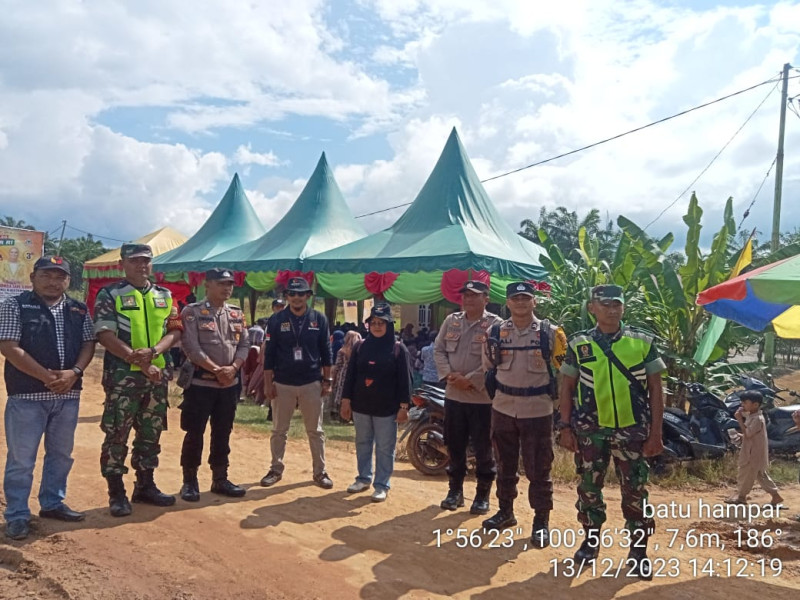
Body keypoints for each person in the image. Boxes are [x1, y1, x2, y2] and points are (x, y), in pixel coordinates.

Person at [558, 284, 664, 580]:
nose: (612, 309)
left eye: (617, 304)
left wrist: (656, 433)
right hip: (591, 431)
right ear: (592, 308)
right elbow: (566, 387)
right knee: (589, 490)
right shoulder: (579, 343)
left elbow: (656, 390)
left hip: (632, 432)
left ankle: (638, 552)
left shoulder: (642, 341)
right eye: (605, 304)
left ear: (623, 307)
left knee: (635, 492)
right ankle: (590, 543)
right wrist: (565, 427)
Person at [0, 257, 95, 540]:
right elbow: (9, 347)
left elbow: (88, 343)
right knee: (21, 460)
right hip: (27, 396)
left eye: (60, 277)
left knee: (61, 455)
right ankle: (17, 514)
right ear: (32, 277)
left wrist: (75, 373)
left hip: (68, 396)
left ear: (68, 281)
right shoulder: (14, 306)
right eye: (46, 275)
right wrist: (47, 377)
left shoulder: (79, 309)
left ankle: (53, 503)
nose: (53, 282)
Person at [94, 243, 183, 517]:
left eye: (146, 261)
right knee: (117, 434)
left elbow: (175, 331)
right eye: (134, 261)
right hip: (123, 378)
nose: (141, 266)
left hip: (157, 378)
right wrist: (139, 361)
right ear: (122, 264)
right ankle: (116, 492)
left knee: (150, 432)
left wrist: (154, 353)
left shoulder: (165, 295)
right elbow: (105, 334)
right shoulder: (110, 294)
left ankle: (145, 485)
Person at [481, 281, 567, 550]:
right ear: (507, 302)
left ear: (534, 302)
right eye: (515, 298)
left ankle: (541, 522)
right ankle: (505, 511)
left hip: (538, 410)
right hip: (503, 408)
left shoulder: (551, 334)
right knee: (504, 465)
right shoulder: (495, 332)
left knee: (539, 469)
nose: (520, 302)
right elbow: (488, 368)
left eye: (525, 298)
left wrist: (560, 410)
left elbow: (564, 374)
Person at [178, 268, 251, 502]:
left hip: (228, 386)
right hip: (201, 384)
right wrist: (217, 370)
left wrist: (233, 368)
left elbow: (244, 344)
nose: (227, 288)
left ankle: (220, 478)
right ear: (207, 284)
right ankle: (189, 481)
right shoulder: (192, 312)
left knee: (223, 432)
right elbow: (191, 346)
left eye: (230, 284)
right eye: (221, 283)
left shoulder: (236, 313)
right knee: (194, 432)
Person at [434, 280, 502, 516]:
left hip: (481, 399)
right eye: (466, 295)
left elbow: (496, 359)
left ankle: (482, 495)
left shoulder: (496, 325)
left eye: (475, 295)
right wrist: (449, 375)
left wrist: (471, 380)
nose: (469, 299)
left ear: (486, 299)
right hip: (454, 396)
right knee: (454, 446)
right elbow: (439, 350)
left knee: (484, 449)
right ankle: (455, 492)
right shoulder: (451, 321)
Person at [260, 277, 334, 489]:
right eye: (292, 294)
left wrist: (327, 380)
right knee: (279, 430)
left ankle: (320, 472)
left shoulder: (319, 319)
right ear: (286, 296)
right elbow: (269, 355)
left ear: (308, 296)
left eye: (301, 294)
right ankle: (275, 469)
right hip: (283, 383)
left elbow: (327, 352)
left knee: (315, 431)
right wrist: (268, 384)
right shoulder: (276, 320)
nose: (296, 298)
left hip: (311, 382)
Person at [340, 304, 411, 502]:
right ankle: (363, 478)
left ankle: (381, 485)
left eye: (381, 323)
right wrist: (346, 401)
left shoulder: (398, 349)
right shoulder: (360, 347)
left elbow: (405, 381)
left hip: (386, 409)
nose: (377, 326)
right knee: (362, 443)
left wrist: (404, 407)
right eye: (374, 323)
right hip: (361, 406)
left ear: (389, 325)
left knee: (384, 448)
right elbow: (350, 375)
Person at [726, 391, 783, 506]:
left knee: (746, 474)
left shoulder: (757, 419)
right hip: (755, 451)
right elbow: (752, 435)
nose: (742, 405)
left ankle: (741, 497)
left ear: (755, 405)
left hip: (753, 453)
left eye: (745, 403)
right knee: (761, 475)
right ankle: (775, 496)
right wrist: (740, 435)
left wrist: (739, 419)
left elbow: (748, 433)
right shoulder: (752, 416)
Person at [330, 331, 362, 422]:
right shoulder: (360, 351)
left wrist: (334, 378)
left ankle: (342, 416)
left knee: (342, 395)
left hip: (343, 375)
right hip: (356, 375)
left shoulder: (342, 351)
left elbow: (338, 366)